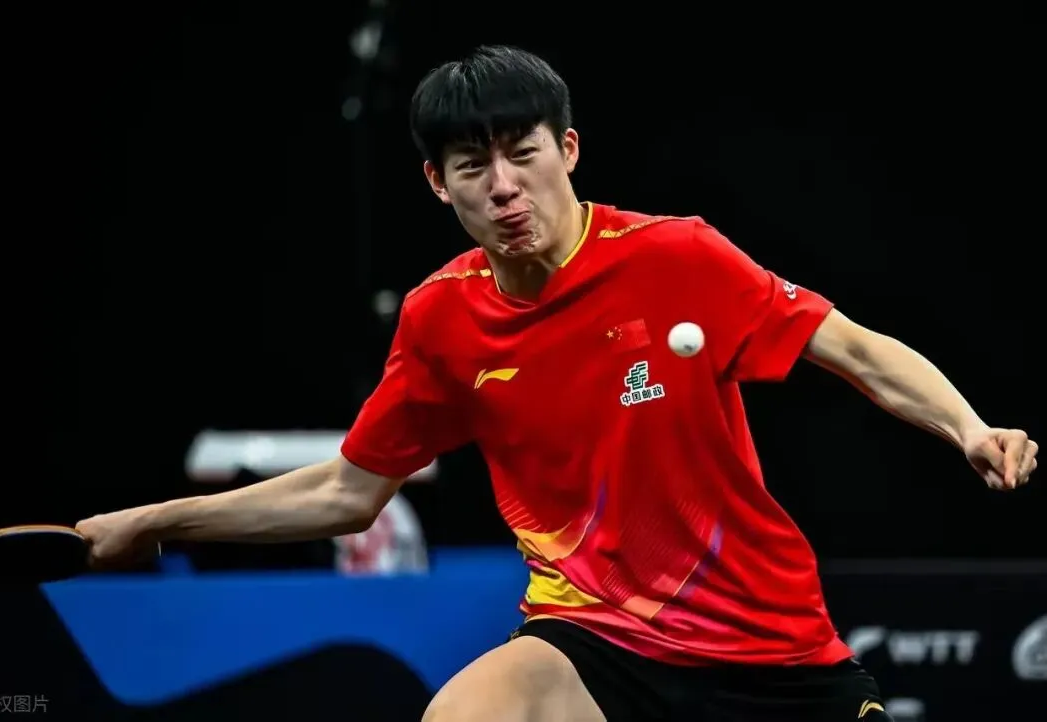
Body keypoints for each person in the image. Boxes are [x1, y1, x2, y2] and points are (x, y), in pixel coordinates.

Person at [77, 45, 1038, 721]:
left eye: (522, 152)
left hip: (770, 650)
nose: (503, 184)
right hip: (594, 641)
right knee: (465, 716)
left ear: (567, 150)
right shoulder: (441, 320)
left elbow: (857, 350)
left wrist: (968, 427)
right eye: (472, 165)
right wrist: (158, 520)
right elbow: (347, 491)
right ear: (437, 184)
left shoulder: (676, 257)